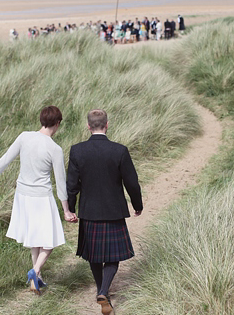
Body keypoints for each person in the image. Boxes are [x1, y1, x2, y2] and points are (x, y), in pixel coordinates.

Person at [0, 106, 77, 295]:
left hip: (23, 196)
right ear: (58, 123)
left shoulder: (24, 137)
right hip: (42, 197)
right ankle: (34, 271)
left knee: (35, 239)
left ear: (41, 120)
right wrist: (66, 210)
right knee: (50, 241)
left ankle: (37, 281)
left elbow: (4, 161)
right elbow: (61, 183)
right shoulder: (55, 149)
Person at [67, 109, 143, 315]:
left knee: (93, 254)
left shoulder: (77, 150)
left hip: (89, 211)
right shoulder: (119, 150)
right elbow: (132, 183)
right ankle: (103, 291)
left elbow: (71, 184)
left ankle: (102, 290)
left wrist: (71, 209)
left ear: (88, 126)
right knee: (112, 255)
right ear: (107, 125)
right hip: (113, 210)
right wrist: (138, 205)